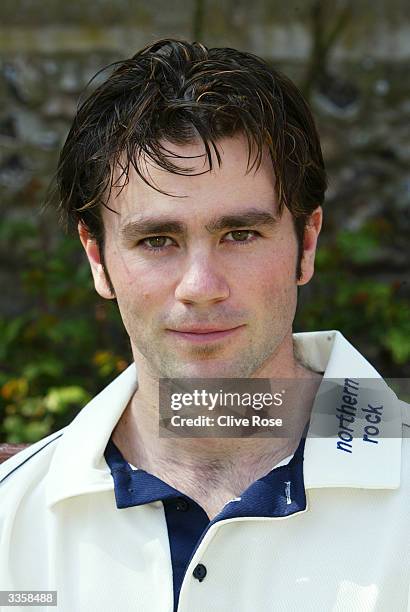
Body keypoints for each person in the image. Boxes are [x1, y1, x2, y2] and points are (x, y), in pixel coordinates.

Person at [0, 38, 409, 612]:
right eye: (157, 240)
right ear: (97, 258)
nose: (200, 285)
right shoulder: (11, 525)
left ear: (306, 243)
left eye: (239, 234)